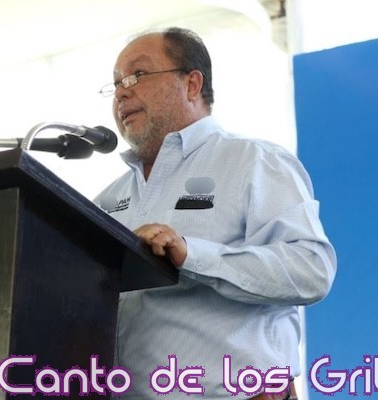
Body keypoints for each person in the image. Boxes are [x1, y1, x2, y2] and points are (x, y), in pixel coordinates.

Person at [94, 27, 336, 400]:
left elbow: (311, 270)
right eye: (116, 84)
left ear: (192, 84)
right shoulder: (106, 201)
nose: (122, 93)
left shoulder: (253, 161)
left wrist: (192, 255)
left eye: (137, 75)